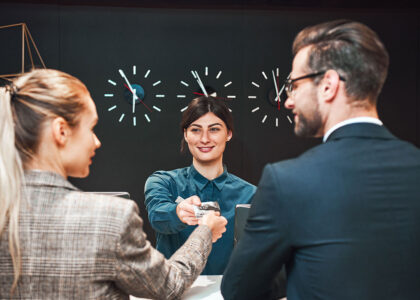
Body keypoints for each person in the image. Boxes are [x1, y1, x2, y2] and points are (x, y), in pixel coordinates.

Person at [221, 19, 420, 300]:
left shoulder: (287, 181)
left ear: (328, 85)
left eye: (294, 84)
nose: (288, 100)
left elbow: (239, 289)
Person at [0, 69, 228, 299]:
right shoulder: (110, 218)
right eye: (90, 128)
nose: (96, 141)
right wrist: (205, 231)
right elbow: (168, 285)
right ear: (61, 131)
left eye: (214, 129)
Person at [144, 96, 256, 275]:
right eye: (196, 130)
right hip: (175, 291)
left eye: (214, 129)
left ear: (228, 134)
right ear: (185, 134)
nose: (205, 139)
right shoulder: (163, 182)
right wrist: (179, 212)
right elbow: (158, 216)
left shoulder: (251, 195)